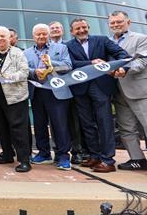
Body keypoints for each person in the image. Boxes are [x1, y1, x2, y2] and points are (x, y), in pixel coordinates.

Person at [66, 18, 130, 173]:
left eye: (83, 27)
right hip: (80, 89)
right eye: (77, 29)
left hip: (101, 87)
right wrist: (92, 63)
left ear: (88, 27)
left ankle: (108, 160)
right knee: (87, 124)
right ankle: (94, 156)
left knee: (104, 123)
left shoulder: (102, 40)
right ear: (72, 32)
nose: (81, 31)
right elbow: (71, 64)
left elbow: (122, 53)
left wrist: (123, 67)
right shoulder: (67, 46)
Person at [24, 24, 73, 170]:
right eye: (38, 34)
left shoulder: (60, 48)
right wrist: (34, 72)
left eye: (44, 34)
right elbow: (24, 69)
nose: (41, 37)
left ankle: (63, 155)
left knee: (59, 125)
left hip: (56, 91)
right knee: (39, 124)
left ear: (48, 34)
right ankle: (44, 153)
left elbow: (68, 65)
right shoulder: (26, 52)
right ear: (33, 36)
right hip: (37, 92)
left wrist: (50, 64)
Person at [0, 26, 31, 172]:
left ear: (9, 38)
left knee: (18, 129)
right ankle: (7, 155)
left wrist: (8, 78)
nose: (0, 39)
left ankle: (24, 160)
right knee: (1, 128)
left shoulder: (18, 53)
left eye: (3, 36)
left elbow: (24, 72)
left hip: (15, 97)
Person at [109, 11, 147, 170]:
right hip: (118, 92)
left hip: (138, 90)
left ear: (128, 22)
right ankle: (137, 159)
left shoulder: (140, 38)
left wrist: (125, 69)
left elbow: (142, 61)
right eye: (112, 23)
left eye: (119, 22)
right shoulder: (108, 42)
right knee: (126, 128)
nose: (116, 25)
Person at [48, 21, 84, 165]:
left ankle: (77, 152)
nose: (55, 30)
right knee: (55, 123)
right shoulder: (46, 47)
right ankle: (58, 151)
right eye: (52, 28)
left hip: (70, 88)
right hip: (52, 90)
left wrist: (51, 63)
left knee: (73, 122)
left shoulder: (69, 46)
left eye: (58, 28)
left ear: (63, 31)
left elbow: (72, 65)